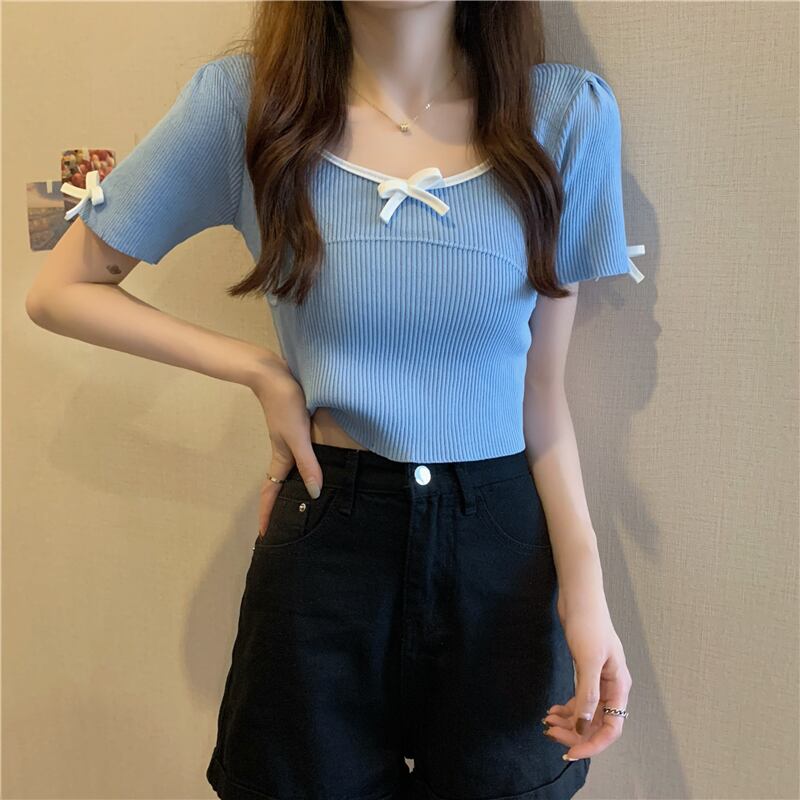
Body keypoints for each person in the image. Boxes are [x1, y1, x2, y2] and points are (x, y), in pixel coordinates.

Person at [26, 1, 641, 798]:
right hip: (328, 535)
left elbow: (542, 394)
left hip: (502, 547)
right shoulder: (248, 105)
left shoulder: (563, 116)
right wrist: (261, 370)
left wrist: (587, 599)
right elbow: (63, 290)